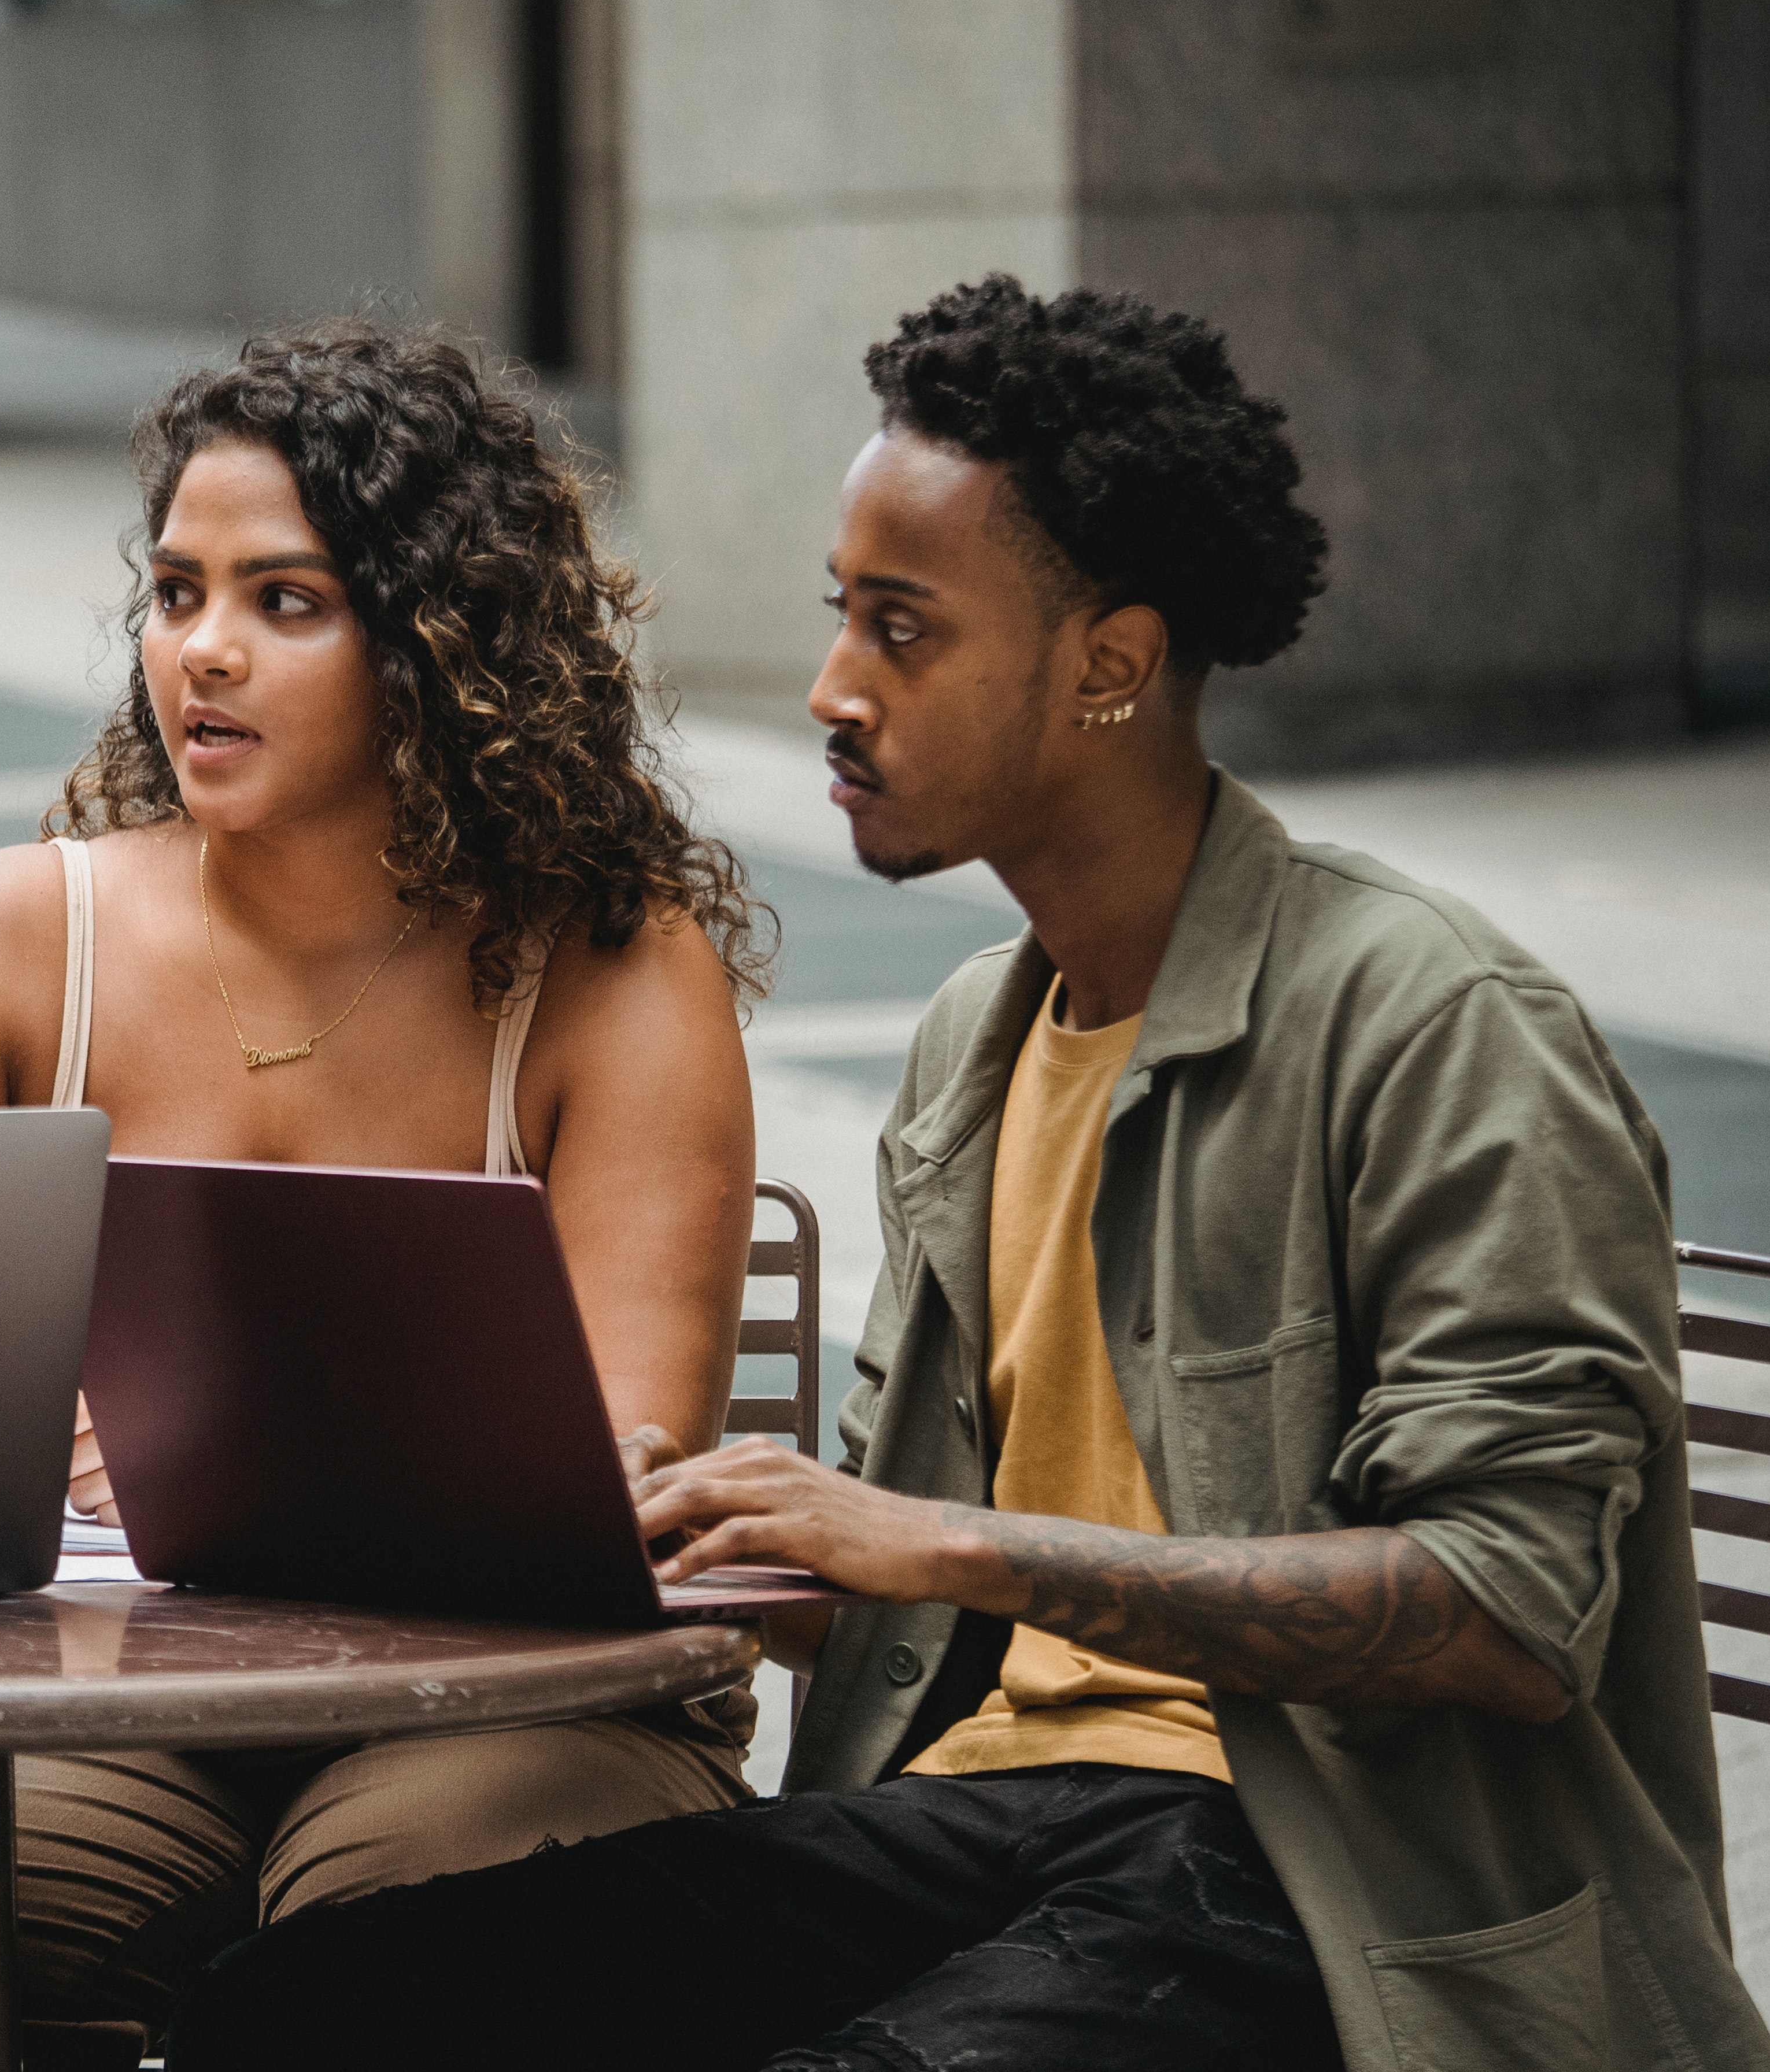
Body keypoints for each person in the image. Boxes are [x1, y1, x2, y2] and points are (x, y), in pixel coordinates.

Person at [161, 275, 1770, 2071]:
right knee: (302, 2017)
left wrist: (934, 1546)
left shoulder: (1429, 1021)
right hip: (999, 1813)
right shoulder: (975, 1046)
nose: (832, 691)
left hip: (1335, 1869)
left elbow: (1501, 1609)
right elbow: (906, 1560)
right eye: (838, 620)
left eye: (904, 633)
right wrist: (688, 1535)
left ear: (1109, 666)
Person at [0, 323, 771, 2070]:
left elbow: (622, 1458)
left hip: (511, 1684)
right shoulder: (13, 941)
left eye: (285, 602)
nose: (200, 653)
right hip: (117, 1682)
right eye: (173, 592)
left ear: (441, 644)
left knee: (375, 1960)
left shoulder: (609, 970)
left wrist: (183, 1445)